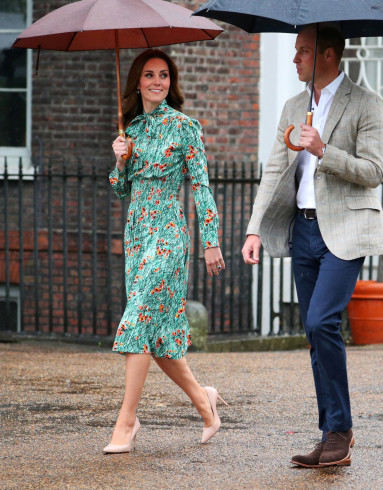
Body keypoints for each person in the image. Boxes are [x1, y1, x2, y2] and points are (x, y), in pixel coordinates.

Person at [241, 24, 383, 468]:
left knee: (323, 321)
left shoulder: (367, 103)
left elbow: (374, 171)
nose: (295, 59)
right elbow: (273, 171)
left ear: (327, 55)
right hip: (301, 230)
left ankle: (341, 429)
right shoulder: (293, 106)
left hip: (343, 231)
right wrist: (252, 229)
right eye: (295, 51)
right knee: (312, 332)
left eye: (302, 51)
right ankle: (330, 434)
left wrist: (325, 151)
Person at [104, 49, 227, 454]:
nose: (157, 81)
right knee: (157, 338)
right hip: (136, 237)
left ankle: (126, 421)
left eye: (164, 75)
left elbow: (202, 185)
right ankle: (204, 402)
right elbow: (122, 191)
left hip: (169, 236)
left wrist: (211, 239)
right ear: (137, 81)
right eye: (149, 75)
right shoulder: (131, 130)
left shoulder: (184, 127)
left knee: (137, 318)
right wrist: (120, 161)